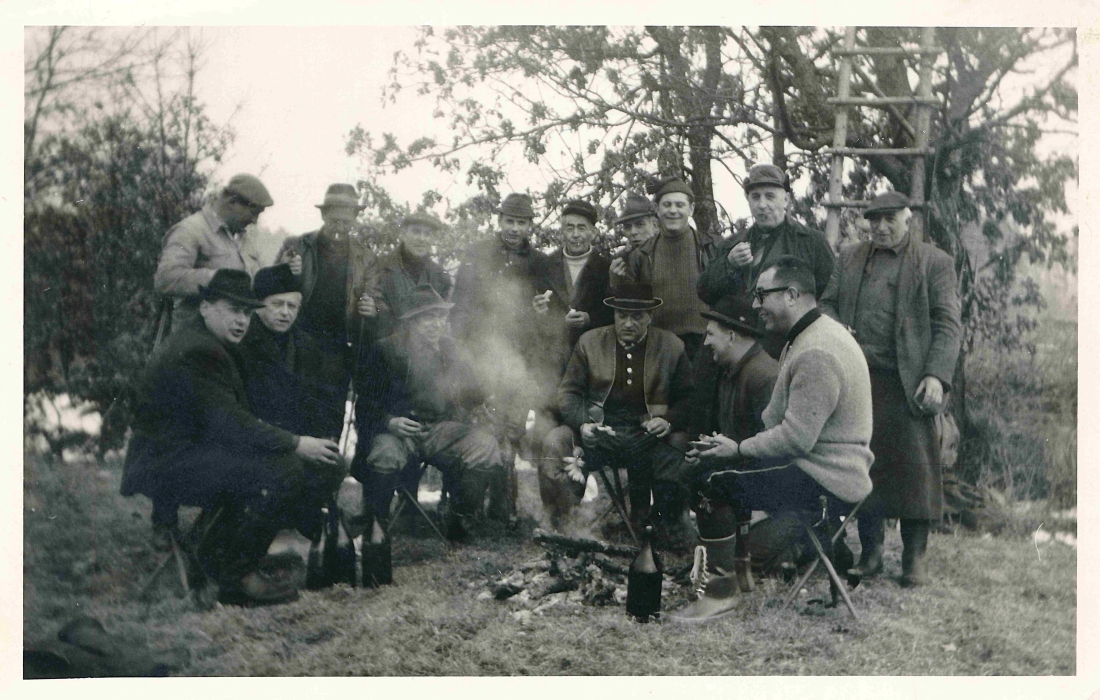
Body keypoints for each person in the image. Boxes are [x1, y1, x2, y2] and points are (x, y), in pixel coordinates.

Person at [120, 269, 346, 606]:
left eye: (245, 312)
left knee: (300, 464)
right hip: (168, 465)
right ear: (206, 306)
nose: (241, 320)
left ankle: (225, 556)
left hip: (187, 453)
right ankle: (236, 576)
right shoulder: (200, 350)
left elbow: (230, 421)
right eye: (233, 310)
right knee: (283, 469)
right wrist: (298, 443)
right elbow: (232, 424)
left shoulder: (208, 341)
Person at [670, 256, 873, 622]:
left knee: (712, 480)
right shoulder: (811, 335)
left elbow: (796, 439)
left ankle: (719, 593)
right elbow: (778, 420)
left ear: (792, 294)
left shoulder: (816, 350)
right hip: (820, 466)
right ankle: (740, 572)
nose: (755, 305)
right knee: (720, 466)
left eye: (762, 295)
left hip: (826, 478)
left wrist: (738, 450)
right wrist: (733, 448)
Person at [820, 191, 962, 587]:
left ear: (908, 219)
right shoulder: (849, 258)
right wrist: (836, 328)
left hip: (910, 383)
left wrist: (936, 375)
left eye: (890, 219)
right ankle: (871, 554)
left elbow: (948, 325)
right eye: (874, 219)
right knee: (863, 464)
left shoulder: (935, 262)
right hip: (858, 380)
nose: (881, 227)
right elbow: (826, 304)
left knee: (917, 470)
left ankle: (914, 559)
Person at [353, 285, 506, 542]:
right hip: (400, 432)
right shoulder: (386, 350)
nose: (436, 325)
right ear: (411, 322)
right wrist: (390, 422)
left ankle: (461, 522)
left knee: (485, 446)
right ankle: (376, 527)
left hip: (442, 430)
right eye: (428, 318)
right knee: (384, 454)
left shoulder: (450, 350)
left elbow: (474, 393)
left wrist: (490, 394)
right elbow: (365, 404)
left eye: (440, 317)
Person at [540, 284, 693, 538]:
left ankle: (667, 525)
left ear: (650, 317)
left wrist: (668, 421)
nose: (628, 323)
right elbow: (568, 393)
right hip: (599, 437)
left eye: (637, 316)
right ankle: (563, 525)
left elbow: (688, 398)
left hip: (649, 438)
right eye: (622, 315)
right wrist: (583, 424)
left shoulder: (672, 346)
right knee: (556, 441)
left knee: (678, 443)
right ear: (613, 315)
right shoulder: (589, 342)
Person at [449, 192, 557, 469]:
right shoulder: (477, 253)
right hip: (479, 359)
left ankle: (505, 507)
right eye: (510, 221)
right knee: (476, 430)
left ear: (529, 226)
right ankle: (462, 502)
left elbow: (547, 316)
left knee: (511, 430)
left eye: (521, 223)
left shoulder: (540, 262)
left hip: (518, 363)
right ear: (499, 220)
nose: (514, 229)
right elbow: (460, 305)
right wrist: (463, 350)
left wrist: (539, 310)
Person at [275, 183, 382, 440]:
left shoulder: (366, 258)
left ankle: (324, 475)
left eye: (346, 222)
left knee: (330, 417)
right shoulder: (297, 246)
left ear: (355, 219)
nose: (339, 227)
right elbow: (272, 289)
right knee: (289, 411)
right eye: (334, 220)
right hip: (297, 344)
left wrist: (373, 308)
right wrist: (287, 271)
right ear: (323, 216)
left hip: (339, 350)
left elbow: (377, 298)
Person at [236, 264, 340, 455]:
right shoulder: (242, 340)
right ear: (258, 306)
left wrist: (322, 438)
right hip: (255, 440)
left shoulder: (306, 345)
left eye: (292, 306)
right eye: (277, 304)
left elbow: (319, 399)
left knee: (332, 466)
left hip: (298, 440)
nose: (285, 312)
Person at [696, 164, 835, 305]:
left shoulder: (811, 242)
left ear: (786, 200)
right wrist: (728, 265)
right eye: (755, 197)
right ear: (748, 201)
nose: (762, 205)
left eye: (770, 196)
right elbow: (705, 294)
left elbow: (829, 298)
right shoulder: (731, 245)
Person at [154, 173, 273, 334]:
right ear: (232, 202)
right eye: (253, 212)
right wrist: (216, 278)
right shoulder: (191, 230)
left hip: (232, 337)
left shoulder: (244, 237)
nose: (255, 221)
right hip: (195, 338)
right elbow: (165, 278)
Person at [544, 198, 614, 375]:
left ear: (593, 232)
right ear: (562, 232)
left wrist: (589, 319)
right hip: (551, 362)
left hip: (592, 361)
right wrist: (558, 321)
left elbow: (612, 314)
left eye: (581, 228)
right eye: (570, 227)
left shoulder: (606, 268)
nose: (575, 234)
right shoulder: (544, 265)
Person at [374, 211, 453, 340]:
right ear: (404, 235)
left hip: (424, 352)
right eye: (416, 232)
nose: (421, 239)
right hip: (387, 350)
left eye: (427, 234)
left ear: (432, 239)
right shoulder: (379, 267)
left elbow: (440, 320)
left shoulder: (441, 276)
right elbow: (375, 314)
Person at [608, 192, 660, 279]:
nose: (633, 232)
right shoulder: (620, 261)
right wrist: (615, 281)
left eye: (640, 224)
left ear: (654, 225)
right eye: (627, 227)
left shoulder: (669, 250)